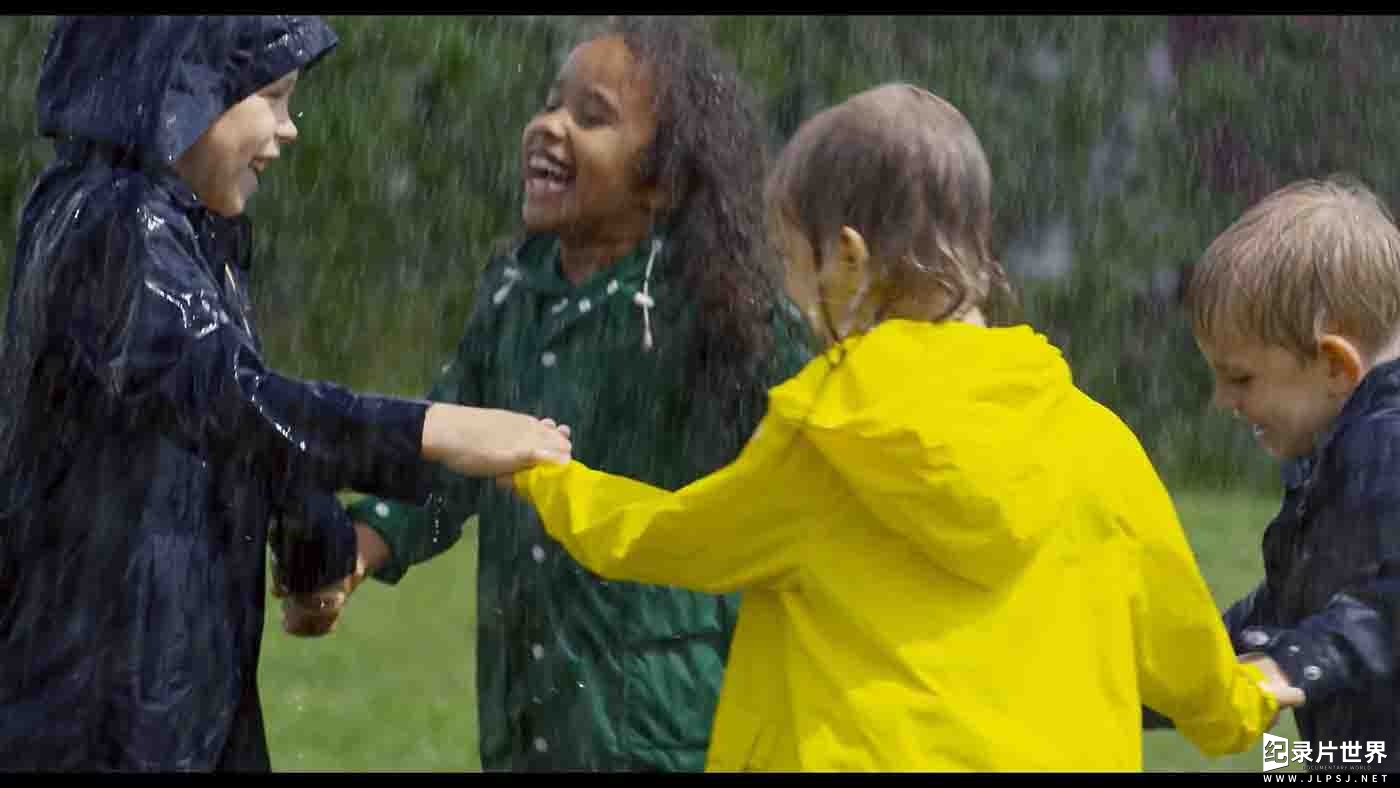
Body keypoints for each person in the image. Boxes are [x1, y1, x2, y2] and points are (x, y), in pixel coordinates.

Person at [505, 83, 1303, 771]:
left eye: (793, 263)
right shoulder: (1097, 443)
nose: (791, 300)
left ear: (848, 261)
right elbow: (1185, 655)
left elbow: (669, 540)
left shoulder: (829, 440)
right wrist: (1245, 702)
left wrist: (541, 471)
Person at [0, 15, 569, 772]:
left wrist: (315, 543)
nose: (289, 126)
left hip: (178, 678)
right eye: (270, 95)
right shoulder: (112, 223)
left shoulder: (184, 227)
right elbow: (236, 402)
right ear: (178, 83)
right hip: (93, 709)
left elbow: (239, 429)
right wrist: (435, 430)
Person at [293, 15, 813, 772]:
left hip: (666, 724)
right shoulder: (512, 294)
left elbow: (822, 434)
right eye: (549, 104)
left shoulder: (717, 311)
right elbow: (445, 460)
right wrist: (355, 554)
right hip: (529, 714)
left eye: (591, 116)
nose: (549, 126)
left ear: (664, 179)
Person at [1185, 175, 1400, 774]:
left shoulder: (1388, 442)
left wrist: (1290, 663)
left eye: (1241, 378)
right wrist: (1178, 671)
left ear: (1334, 365)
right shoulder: (1339, 456)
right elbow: (1293, 603)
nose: (1223, 401)